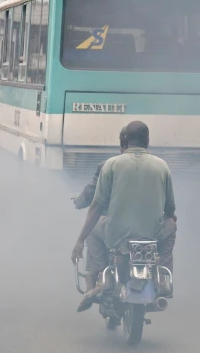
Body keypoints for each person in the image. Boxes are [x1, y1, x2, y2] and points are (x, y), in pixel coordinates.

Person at [71, 121, 177, 312]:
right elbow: (170, 207)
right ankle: (161, 276)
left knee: (94, 230)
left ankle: (104, 279)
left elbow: (96, 206)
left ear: (124, 142)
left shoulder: (111, 165)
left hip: (117, 236)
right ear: (147, 140)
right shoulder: (162, 166)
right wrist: (170, 218)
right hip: (152, 236)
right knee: (172, 225)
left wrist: (80, 240)